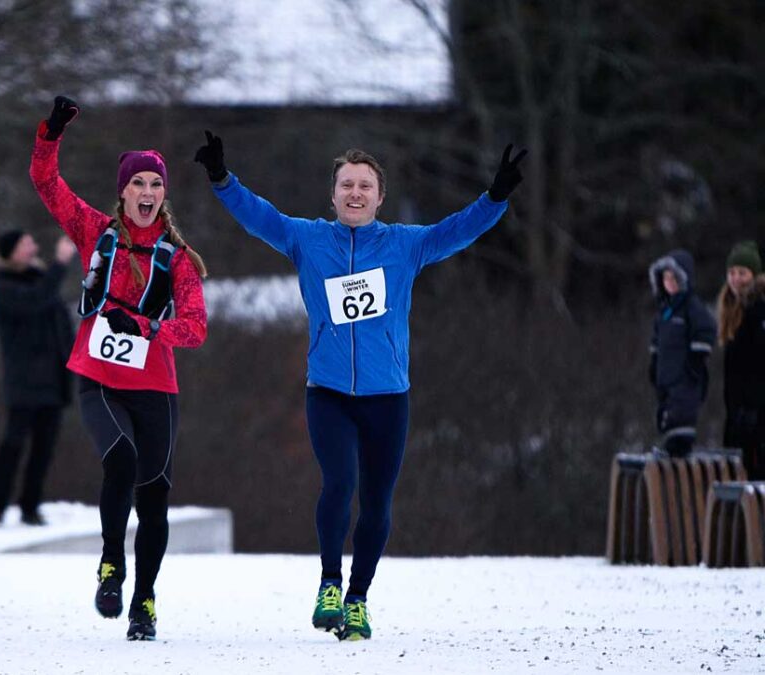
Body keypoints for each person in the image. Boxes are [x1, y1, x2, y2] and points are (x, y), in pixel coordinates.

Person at [194, 131, 526, 641]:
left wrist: (496, 197)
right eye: (346, 184)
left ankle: (358, 598)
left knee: (376, 503)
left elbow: (457, 231)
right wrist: (222, 179)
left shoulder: (404, 245)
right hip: (327, 393)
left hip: (388, 398)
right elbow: (260, 217)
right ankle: (329, 583)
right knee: (339, 483)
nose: (355, 193)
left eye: (364, 185)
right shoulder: (307, 239)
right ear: (332, 195)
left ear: (379, 197)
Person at [30, 96, 208, 641]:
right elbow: (46, 183)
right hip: (99, 378)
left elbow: (196, 328)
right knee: (122, 459)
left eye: (156, 185)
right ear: (123, 191)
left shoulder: (177, 259)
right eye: (139, 185)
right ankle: (111, 563)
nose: (148, 194)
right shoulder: (94, 232)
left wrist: (152, 328)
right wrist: (51, 133)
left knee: (154, 496)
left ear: (164, 195)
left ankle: (145, 601)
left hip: (156, 387)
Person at [0, 229, 76, 526]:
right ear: (10, 252)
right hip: (24, 380)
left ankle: (30, 506)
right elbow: (36, 301)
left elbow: (60, 322)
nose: (33, 247)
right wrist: (60, 263)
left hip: (53, 379)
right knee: (13, 444)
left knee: (44, 447)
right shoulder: (6, 286)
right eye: (26, 244)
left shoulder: (39, 279)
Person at [647, 249, 717, 457]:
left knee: (682, 413)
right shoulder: (664, 312)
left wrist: (697, 357)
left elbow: (706, 329)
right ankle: (669, 446)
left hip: (685, 374)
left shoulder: (691, 307)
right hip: (666, 376)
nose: (669, 282)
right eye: (665, 278)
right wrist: (654, 360)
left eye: (674, 277)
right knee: (665, 414)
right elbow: (656, 339)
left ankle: (679, 448)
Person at [716, 241, 765, 479]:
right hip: (738, 417)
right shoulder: (732, 311)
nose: (736, 279)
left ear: (754, 276)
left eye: (742, 273)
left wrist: (753, 409)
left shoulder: (759, 310)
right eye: (732, 273)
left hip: (757, 419)